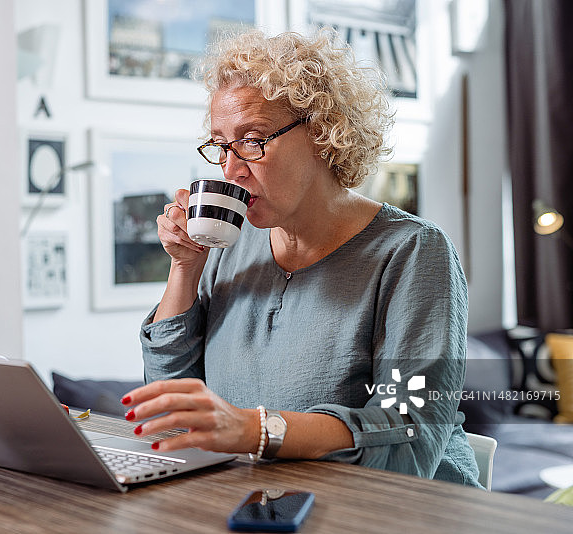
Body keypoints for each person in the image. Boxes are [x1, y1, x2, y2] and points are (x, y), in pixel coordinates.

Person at [122, 28, 481, 487]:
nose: (231, 170)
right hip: (270, 501)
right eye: (220, 145)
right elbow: (171, 408)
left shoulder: (413, 253)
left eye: (252, 140)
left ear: (323, 133)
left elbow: (408, 441)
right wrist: (184, 267)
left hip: (395, 512)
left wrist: (254, 430)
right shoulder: (230, 246)